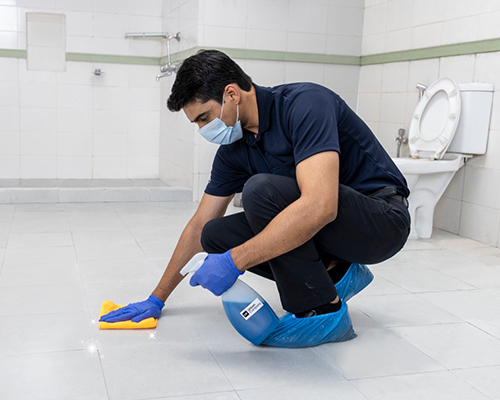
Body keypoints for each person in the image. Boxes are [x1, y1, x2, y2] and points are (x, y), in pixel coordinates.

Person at [100, 49, 411, 347]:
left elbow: (320, 205)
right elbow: (199, 225)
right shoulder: (234, 151)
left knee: (260, 192)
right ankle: (336, 272)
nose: (203, 129)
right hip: (331, 232)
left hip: (381, 221)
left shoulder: (305, 105)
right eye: (196, 122)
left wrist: (235, 262)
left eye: (205, 117)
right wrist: (157, 298)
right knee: (215, 235)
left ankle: (322, 310)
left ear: (232, 94)